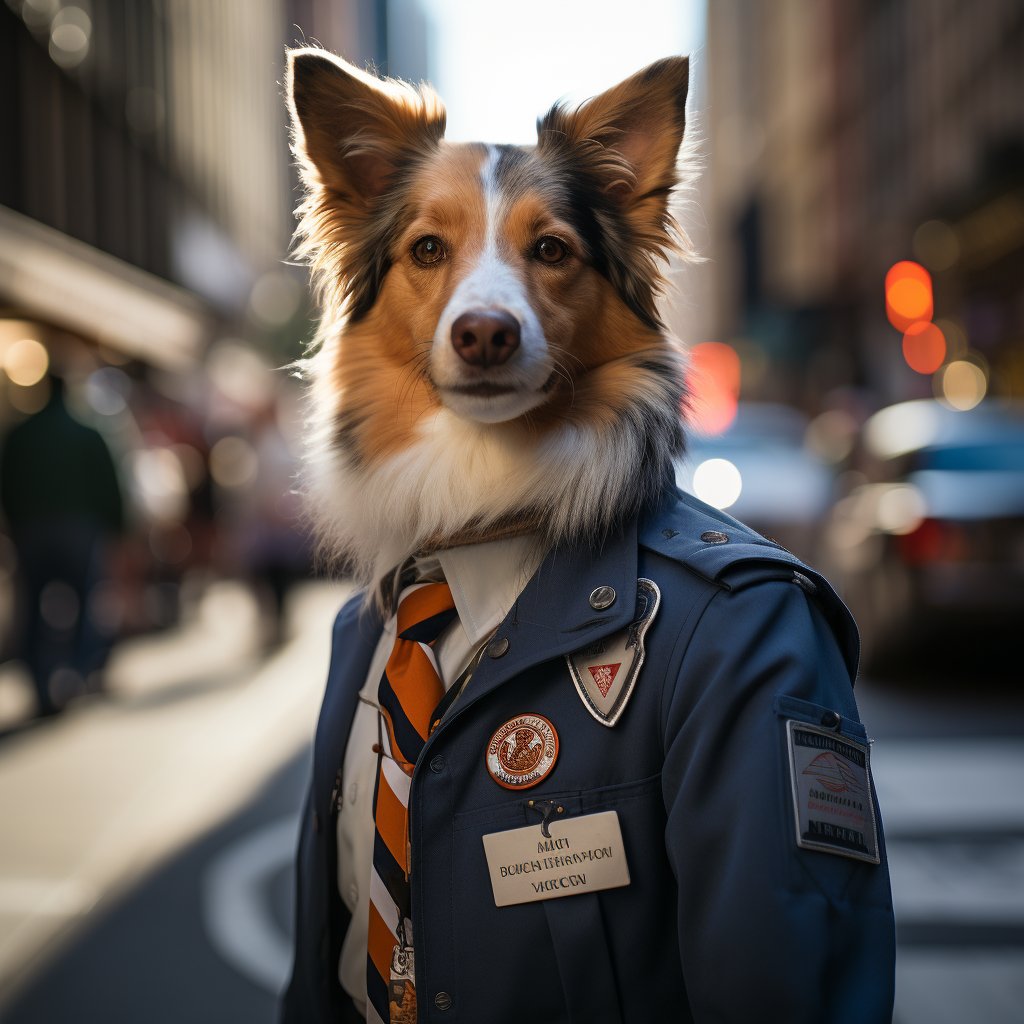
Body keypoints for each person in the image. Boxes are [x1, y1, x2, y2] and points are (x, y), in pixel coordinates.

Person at [0, 373, 124, 715]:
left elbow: (6, 483)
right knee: (85, 601)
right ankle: (76, 671)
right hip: (79, 530)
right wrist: (117, 527)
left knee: (32, 607)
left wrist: (14, 525)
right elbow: (108, 484)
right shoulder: (87, 433)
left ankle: (41, 684)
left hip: (31, 531)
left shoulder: (20, 435)